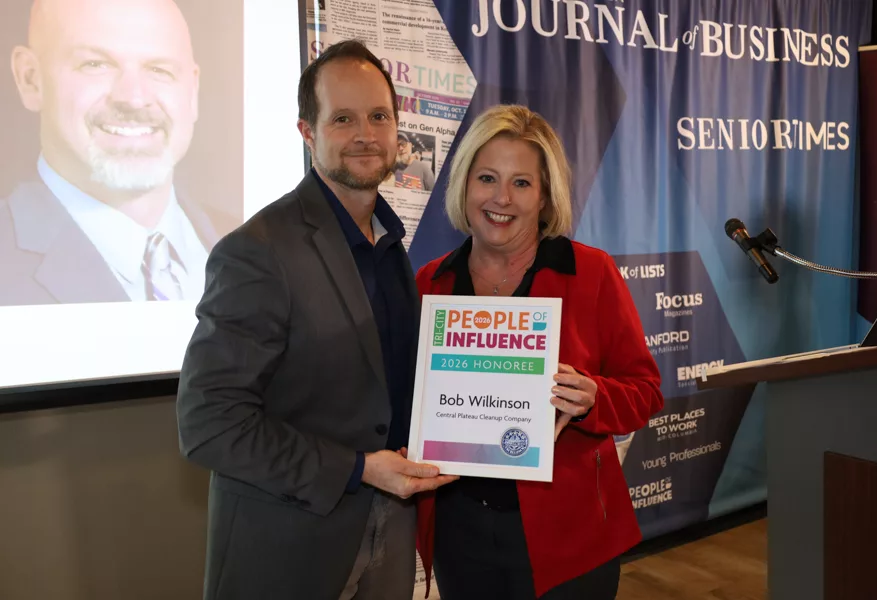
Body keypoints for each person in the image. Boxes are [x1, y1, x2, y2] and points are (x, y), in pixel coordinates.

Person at [176, 39, 456, 600]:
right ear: (308, 132)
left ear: (398, 127)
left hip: (391, 527)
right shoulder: (257, 250)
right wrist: (357, 469)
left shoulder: (390, 243)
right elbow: (209, 424)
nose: (365, 135)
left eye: (379, 116)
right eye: (343, 118)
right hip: (290, 542)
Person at [414, 104, 664, 599]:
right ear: (464, 184)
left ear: (546, 197)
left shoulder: (591, 273)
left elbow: (645, 392)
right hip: (460, 530)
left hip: (569, 535)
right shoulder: (430, 283)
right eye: (487, 177)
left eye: (522, 183)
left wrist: (594, 398)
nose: (501, 198)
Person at [0, 0, 234, 307]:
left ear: (192, 91)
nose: (134, 98)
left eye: (158, 69)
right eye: (95, 64)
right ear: (30, 79)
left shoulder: (249, 244)